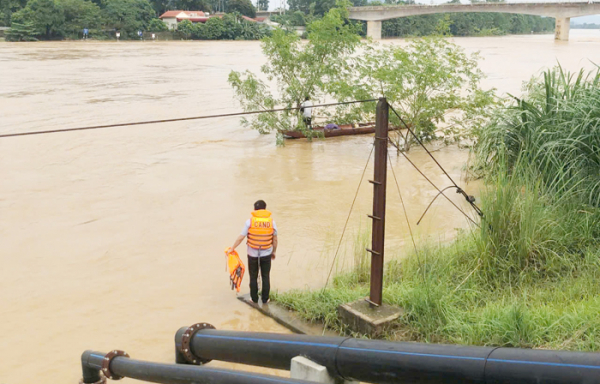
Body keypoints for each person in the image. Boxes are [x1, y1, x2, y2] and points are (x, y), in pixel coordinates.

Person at [228, 200, 278, 304]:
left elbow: (241, 237)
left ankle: (254, 299)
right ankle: (265, 299)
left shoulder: (249, 222)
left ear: (254, 209)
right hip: (266, 254)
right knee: (265, 276)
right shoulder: (272, 222)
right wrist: (273, 252)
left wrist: (232, 248)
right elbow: (275, 239)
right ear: (265, 209)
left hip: (252, 255)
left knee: (253, 276)